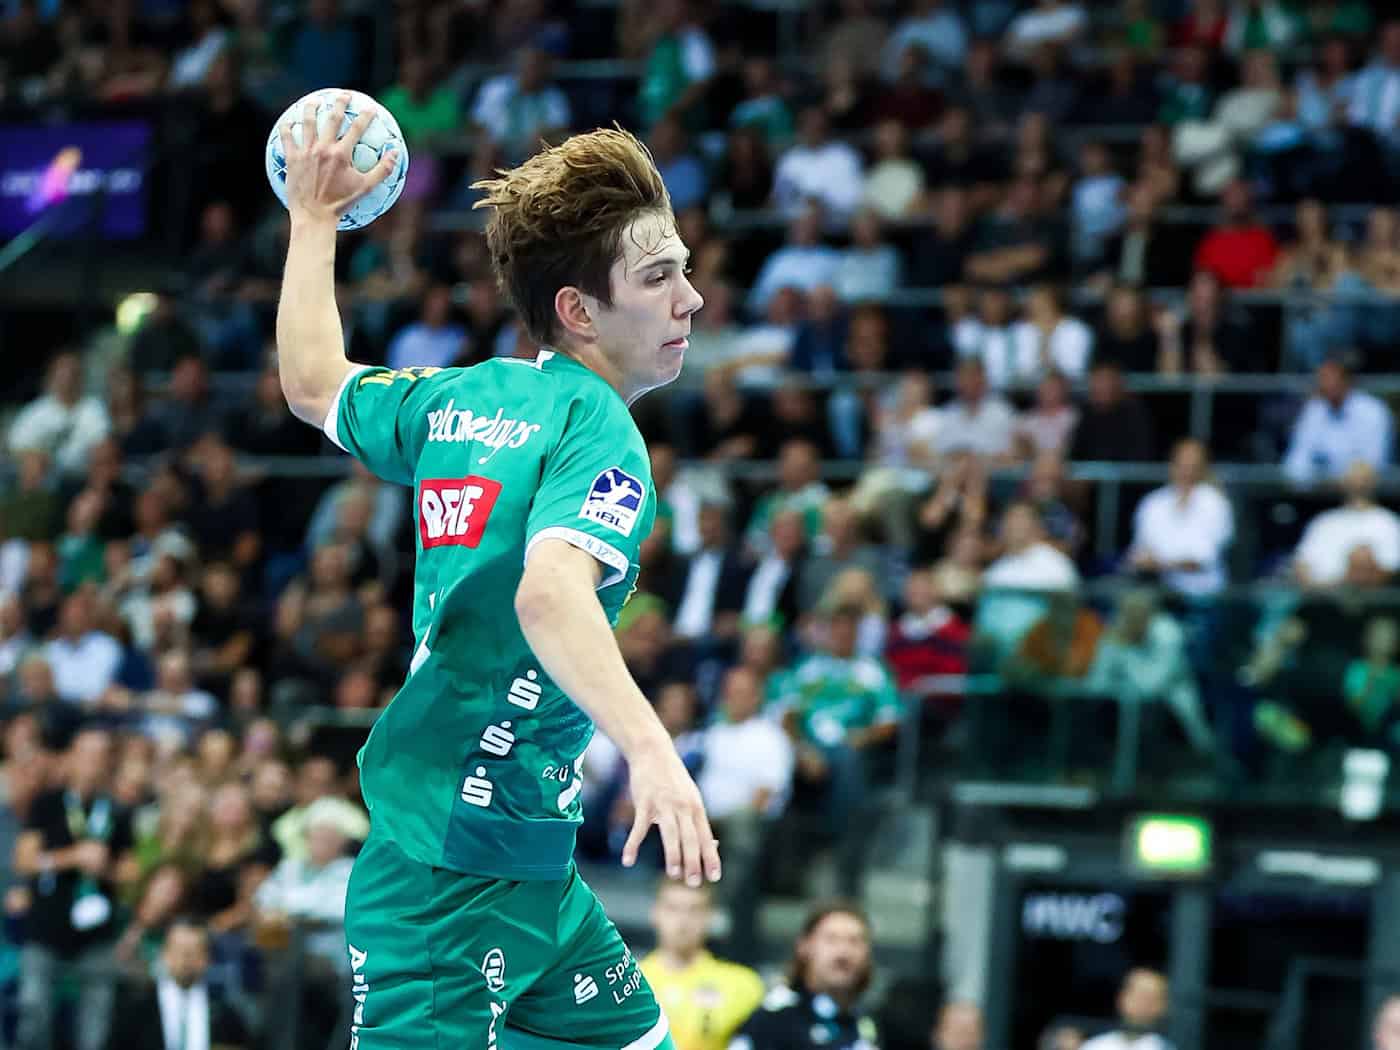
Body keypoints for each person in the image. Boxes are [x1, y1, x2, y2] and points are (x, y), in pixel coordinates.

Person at [274, 95, 716, 1050]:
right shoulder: (599, 429)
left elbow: (314, 382)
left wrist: (313, 221)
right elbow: (550, 591)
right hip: (445, 878)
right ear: (578, 311)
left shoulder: (464, 398)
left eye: (683, 269)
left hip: (530, 860)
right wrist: (652, 751)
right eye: (660, 276)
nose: (692, 298)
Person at [12, 728, 136, 1050]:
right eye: (86, 754)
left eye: (101, 756)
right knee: (33, 1010)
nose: (93, 763)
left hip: (96, 931)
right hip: (46, 926)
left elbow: (130, 871)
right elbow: (24, 860)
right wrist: (72, 857)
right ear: (71, 758)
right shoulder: (47, 803)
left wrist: (105, 866)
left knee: (96, 1021)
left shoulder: (117, 811)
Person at [730, 902, 880, 1050]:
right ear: (804, 946)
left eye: (854, 942)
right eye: (831, 940)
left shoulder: (868, 1024)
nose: (843, 953)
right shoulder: (774, 1020)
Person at [640, 879, 766, 1050]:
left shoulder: (743, 985)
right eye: (673, 908)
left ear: (710, 916)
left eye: (694, 910)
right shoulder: (633, 981)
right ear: (655, 913)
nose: (683, 921)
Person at [104, 918, 252, 1050]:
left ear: (207, 957)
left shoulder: (226, 1016)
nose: (185, 958)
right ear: (164, 953)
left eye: (194, 950)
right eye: (179, 949)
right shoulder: (135, 1009)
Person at [1080, 968, 1173, 1050]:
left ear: (1164, 1007)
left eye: (1153, 998)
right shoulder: (1094, 1046)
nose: (1143, 1005)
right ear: (1122, 998)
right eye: (1139, 996)